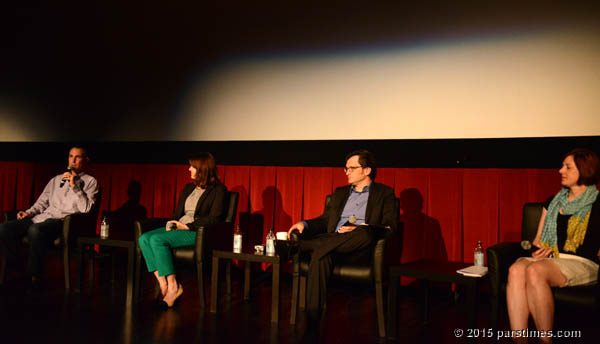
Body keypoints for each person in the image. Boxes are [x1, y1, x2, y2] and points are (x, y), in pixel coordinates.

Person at [287, 149, 397, 320]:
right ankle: (312, 321)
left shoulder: (384, 193)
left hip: (359, 248)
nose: (347, 172)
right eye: (346, 168)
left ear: (367, 170)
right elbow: (324, 221)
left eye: (352, 168)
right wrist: (304, 223)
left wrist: (359, 229)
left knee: (364, 232)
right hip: (333, 244)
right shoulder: (340, 193)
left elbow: (389, 227)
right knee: (321, 255)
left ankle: (301, 246)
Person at [506, 148, 600, 343]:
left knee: (535, 270)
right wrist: (537, 250)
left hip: (583, 262)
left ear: (585, 170)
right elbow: (538, 240)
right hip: (551, 259)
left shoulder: (598, 203)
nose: (560, 171)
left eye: (567, 167)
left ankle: (545, 340)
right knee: (516, 269)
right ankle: (519, 339)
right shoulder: (553, 202)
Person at [138, 152, 227, 308]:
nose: (189, 170)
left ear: (202, 169)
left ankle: (174, 287)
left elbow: (215, 218)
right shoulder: (188, 188)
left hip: (197, 232)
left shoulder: (218, 190)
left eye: (192, 167)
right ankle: (163, 282)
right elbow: (179, 213)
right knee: (144, 238)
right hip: (179, 227)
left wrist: (188, 226)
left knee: (157, 240)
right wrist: (172, 223)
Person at [0, 146, 99, 285]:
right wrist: (29, 212)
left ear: (86, 160)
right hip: (41, 218)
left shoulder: (90, 182)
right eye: (71, 156)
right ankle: (17, 266)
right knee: (4, 229)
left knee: (35, 230)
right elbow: (42, 202)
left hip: (62, 222)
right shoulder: (56, 180)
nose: (73, 160)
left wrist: (75, 186)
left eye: (78, 157)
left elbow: (86, 209)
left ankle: (35, 275)